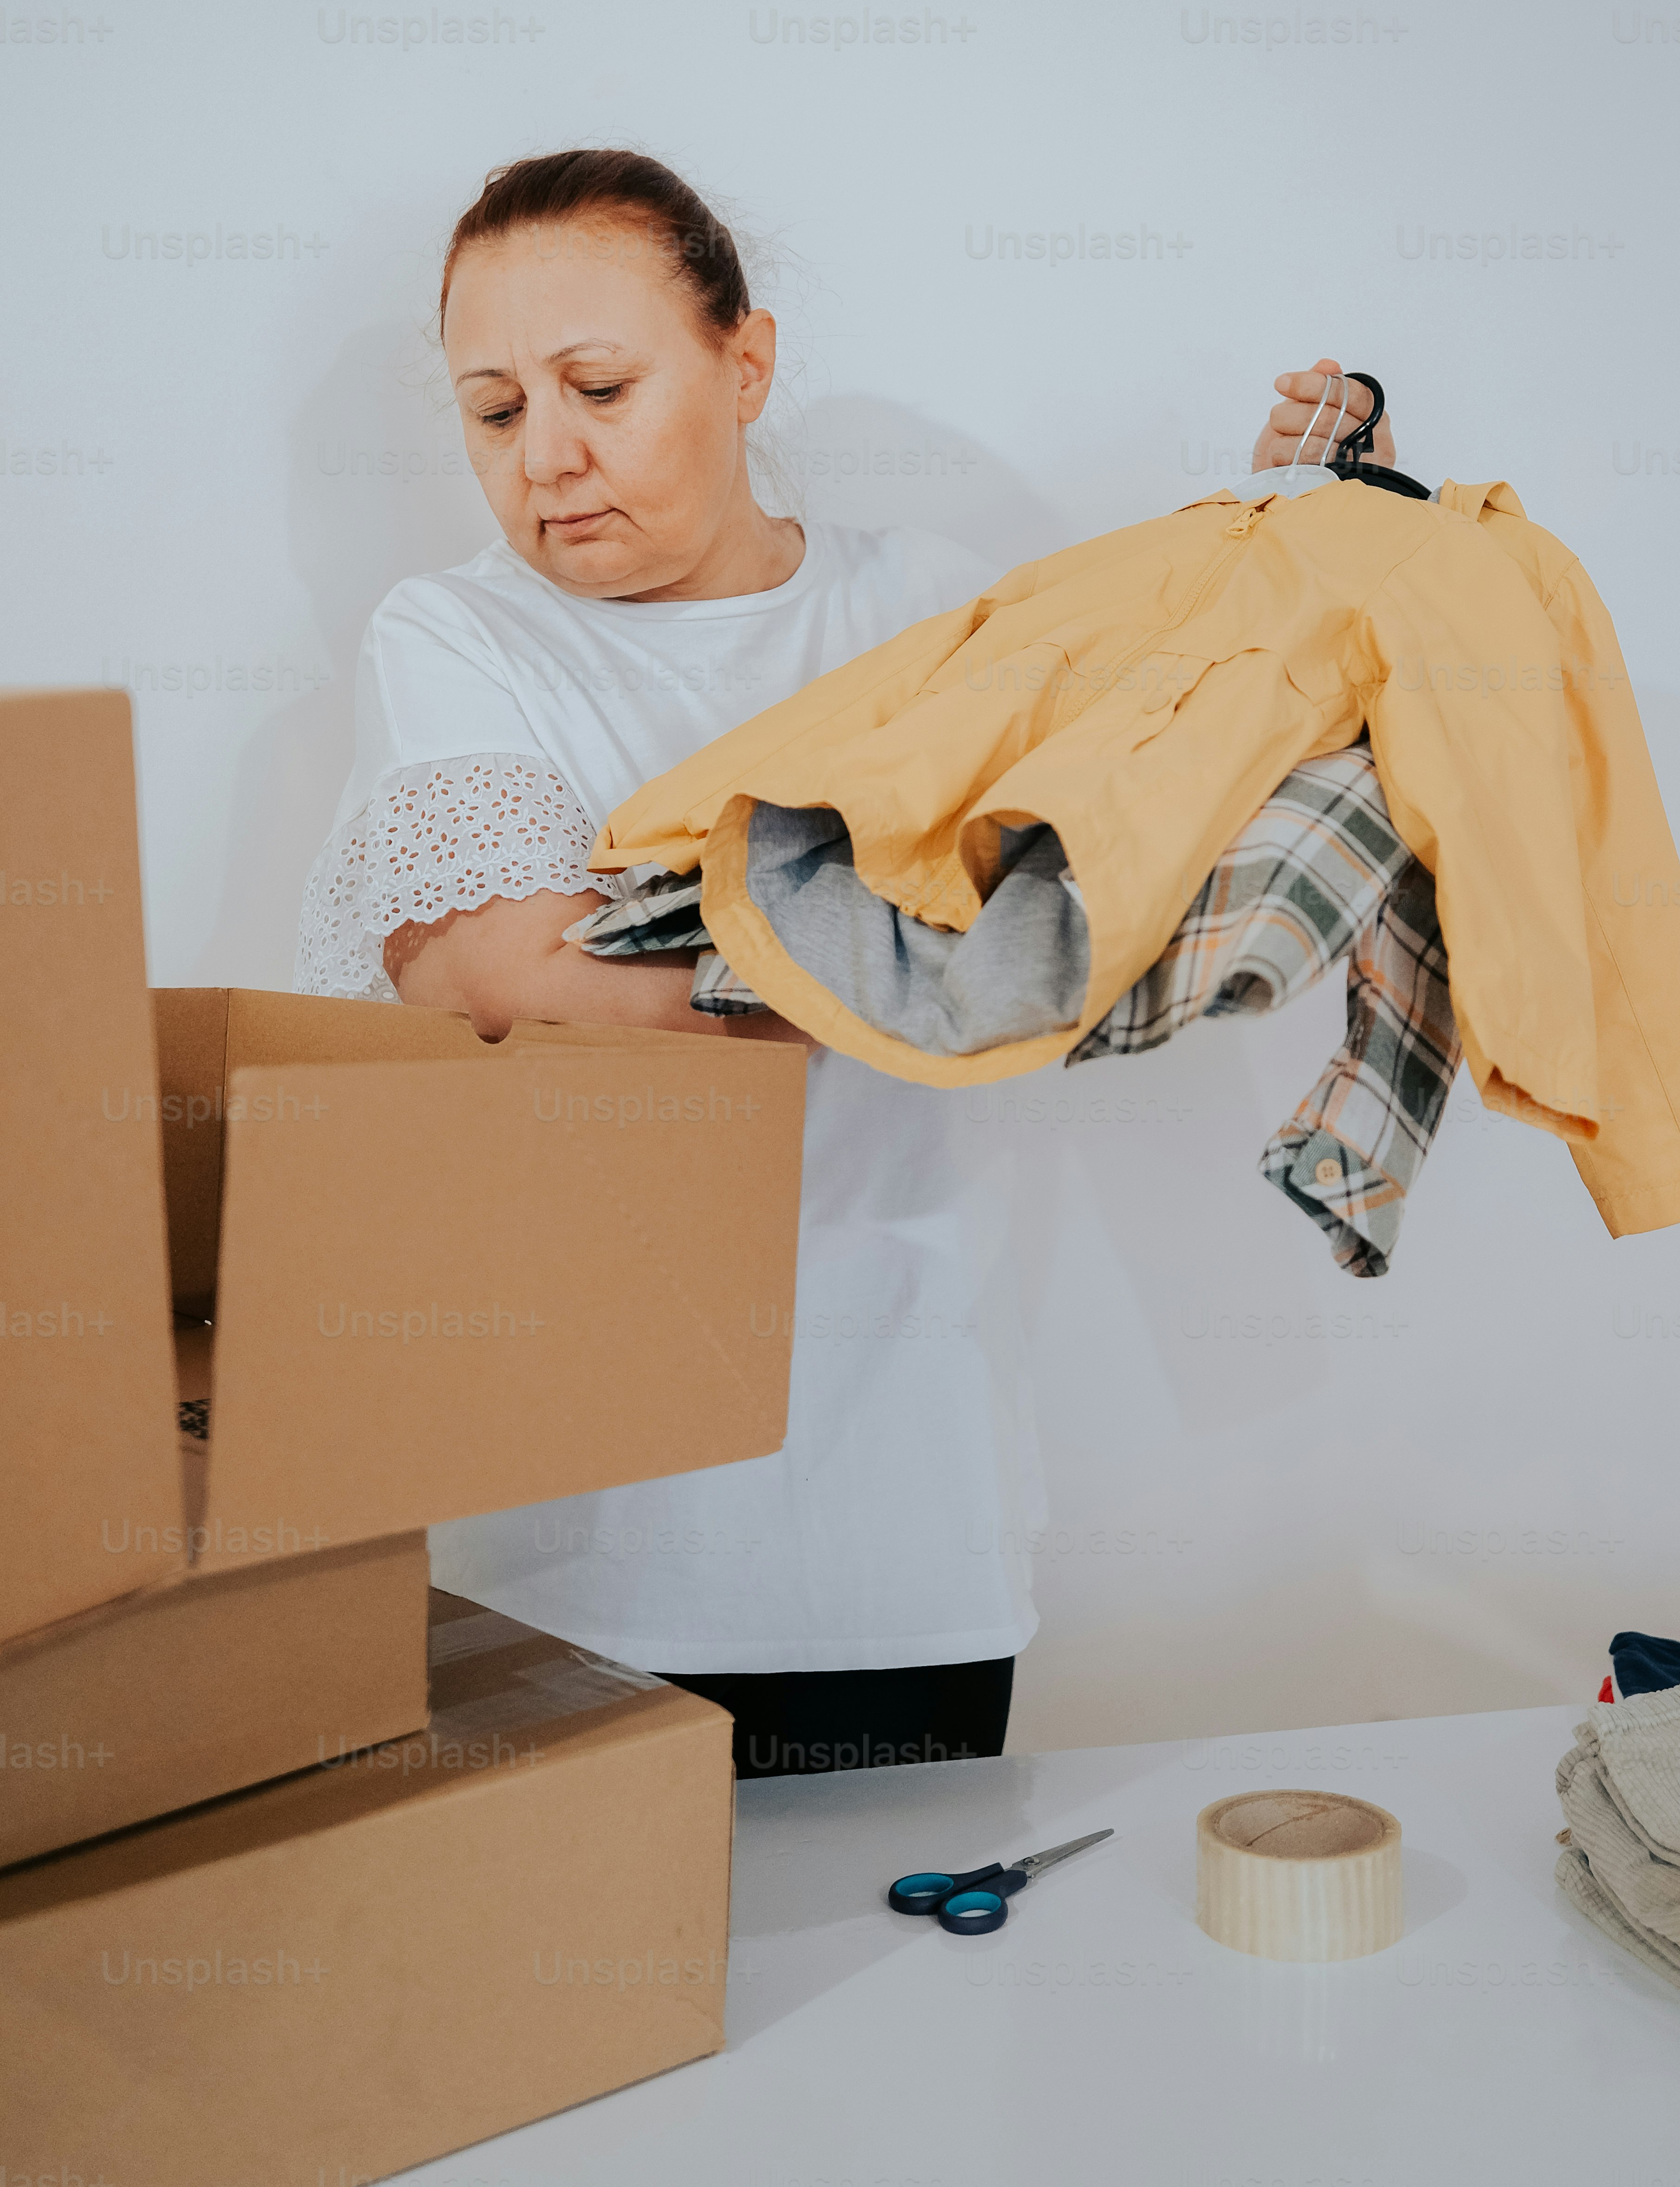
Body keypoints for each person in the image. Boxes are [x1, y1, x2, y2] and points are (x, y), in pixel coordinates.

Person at [294, 147, 1396, 1773]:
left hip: (905, 1512)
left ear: (746, 367)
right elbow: (500, 972)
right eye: (496, 408)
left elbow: (1165, 778)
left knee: (917, 2004)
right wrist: (923, 980)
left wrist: (1304, 521)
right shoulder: (459, 634)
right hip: (577, 1544)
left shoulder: (923, 613)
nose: (551, 455)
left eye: (600, 384)